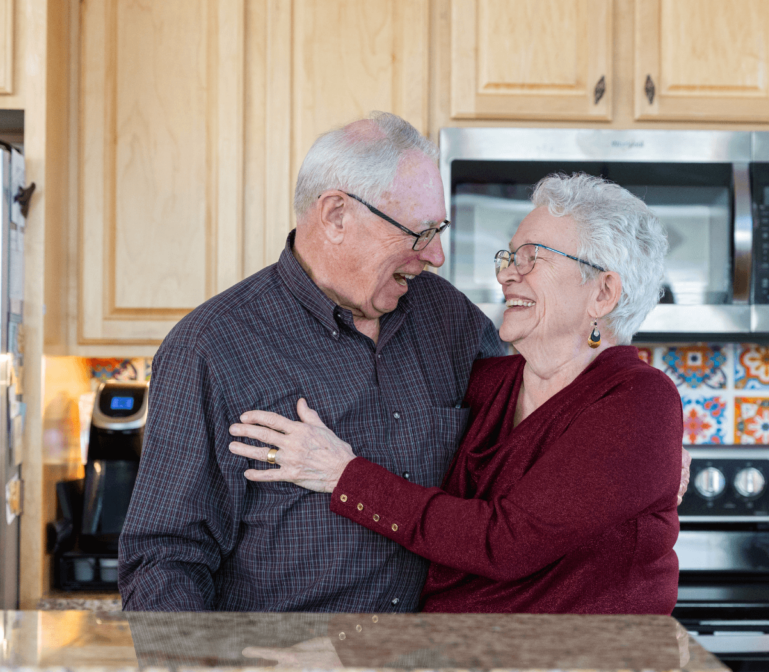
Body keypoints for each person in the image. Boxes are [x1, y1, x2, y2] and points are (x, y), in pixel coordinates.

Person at [229, 173, 686, 614]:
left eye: (531, 258)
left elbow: (505, 543)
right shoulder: (490, 380)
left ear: (603, 293)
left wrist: (341, 474)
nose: (507, 275)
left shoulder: (640, 400)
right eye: (508, 258)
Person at [118, 112, 507, 612]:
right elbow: (164, 561)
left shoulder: (452, 322)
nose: (436, 254)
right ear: (336, 215)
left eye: (440, 228)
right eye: (419, 232)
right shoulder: (211, 349)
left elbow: (513, 498)